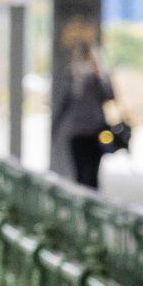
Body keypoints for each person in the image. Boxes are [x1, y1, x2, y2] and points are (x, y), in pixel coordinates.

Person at [52, 26, 117, 190]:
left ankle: (88, 207)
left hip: (89, 131)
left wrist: (99, 75)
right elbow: (64, 102)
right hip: (84, 131)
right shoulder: (74, 75)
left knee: (88, 173)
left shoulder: (94, 76)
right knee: (85, 173)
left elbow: (109, 95)